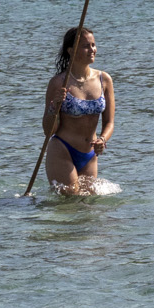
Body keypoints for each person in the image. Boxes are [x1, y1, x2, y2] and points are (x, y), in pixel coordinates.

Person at [42, 24, 114, 192]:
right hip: (62, 149)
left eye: (93, 45)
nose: (92, 49)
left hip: (89, 154)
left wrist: (103, 140)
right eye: (86, 46)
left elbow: (109, 122)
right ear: (71, 50)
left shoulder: (104, 80)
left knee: (87, 202)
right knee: (69, 197)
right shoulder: (58, 83)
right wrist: (54, 106)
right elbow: (48, 131)